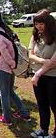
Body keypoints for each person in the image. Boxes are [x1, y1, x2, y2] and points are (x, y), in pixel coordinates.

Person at [0, 8, 30, 126]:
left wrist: (11, 63)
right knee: (10, 92)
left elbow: (4, 52)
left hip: (4, 68)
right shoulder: (3, 30)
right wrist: (12, 64)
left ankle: (6, 118)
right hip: (9, 67)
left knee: (3, 93)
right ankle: (24, 113)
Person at [28, 9, 56, 138]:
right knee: (42, 104)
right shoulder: (35, 36)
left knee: (54, 105)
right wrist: (44, 61)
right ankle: (43, 129)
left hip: (52, 77)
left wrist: (39, 73)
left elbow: (54, 62)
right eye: (36, 24)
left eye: (41, 24)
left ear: (48, 23)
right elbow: (30, 55)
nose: (38, 26)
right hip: (38, 76)